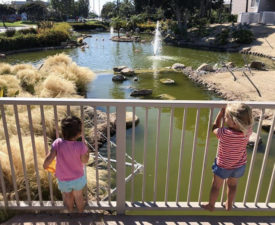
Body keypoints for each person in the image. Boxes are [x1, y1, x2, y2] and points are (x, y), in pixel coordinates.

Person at [202, 102, 253, 211]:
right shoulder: (248, 131)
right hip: (239, 165)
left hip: (223, 166)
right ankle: (229, 204)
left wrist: (219, 115)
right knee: (232, 185)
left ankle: (211, 205)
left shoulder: (224, 133)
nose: (225, 118)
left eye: (226, 117)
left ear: (234, 122)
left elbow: (214, 129)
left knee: (216, 186)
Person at [43, 116, 89, 213]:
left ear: (62, 131)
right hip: (78, 178)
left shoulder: (58, 143)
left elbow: (50, 157)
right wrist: (86, 151)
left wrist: (45, 165)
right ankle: (81, 213)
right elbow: (85, 161)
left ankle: (70, 212)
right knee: (79, 196)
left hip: (63, 178)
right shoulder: (81, 146)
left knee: (68, 196)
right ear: (79, 133)